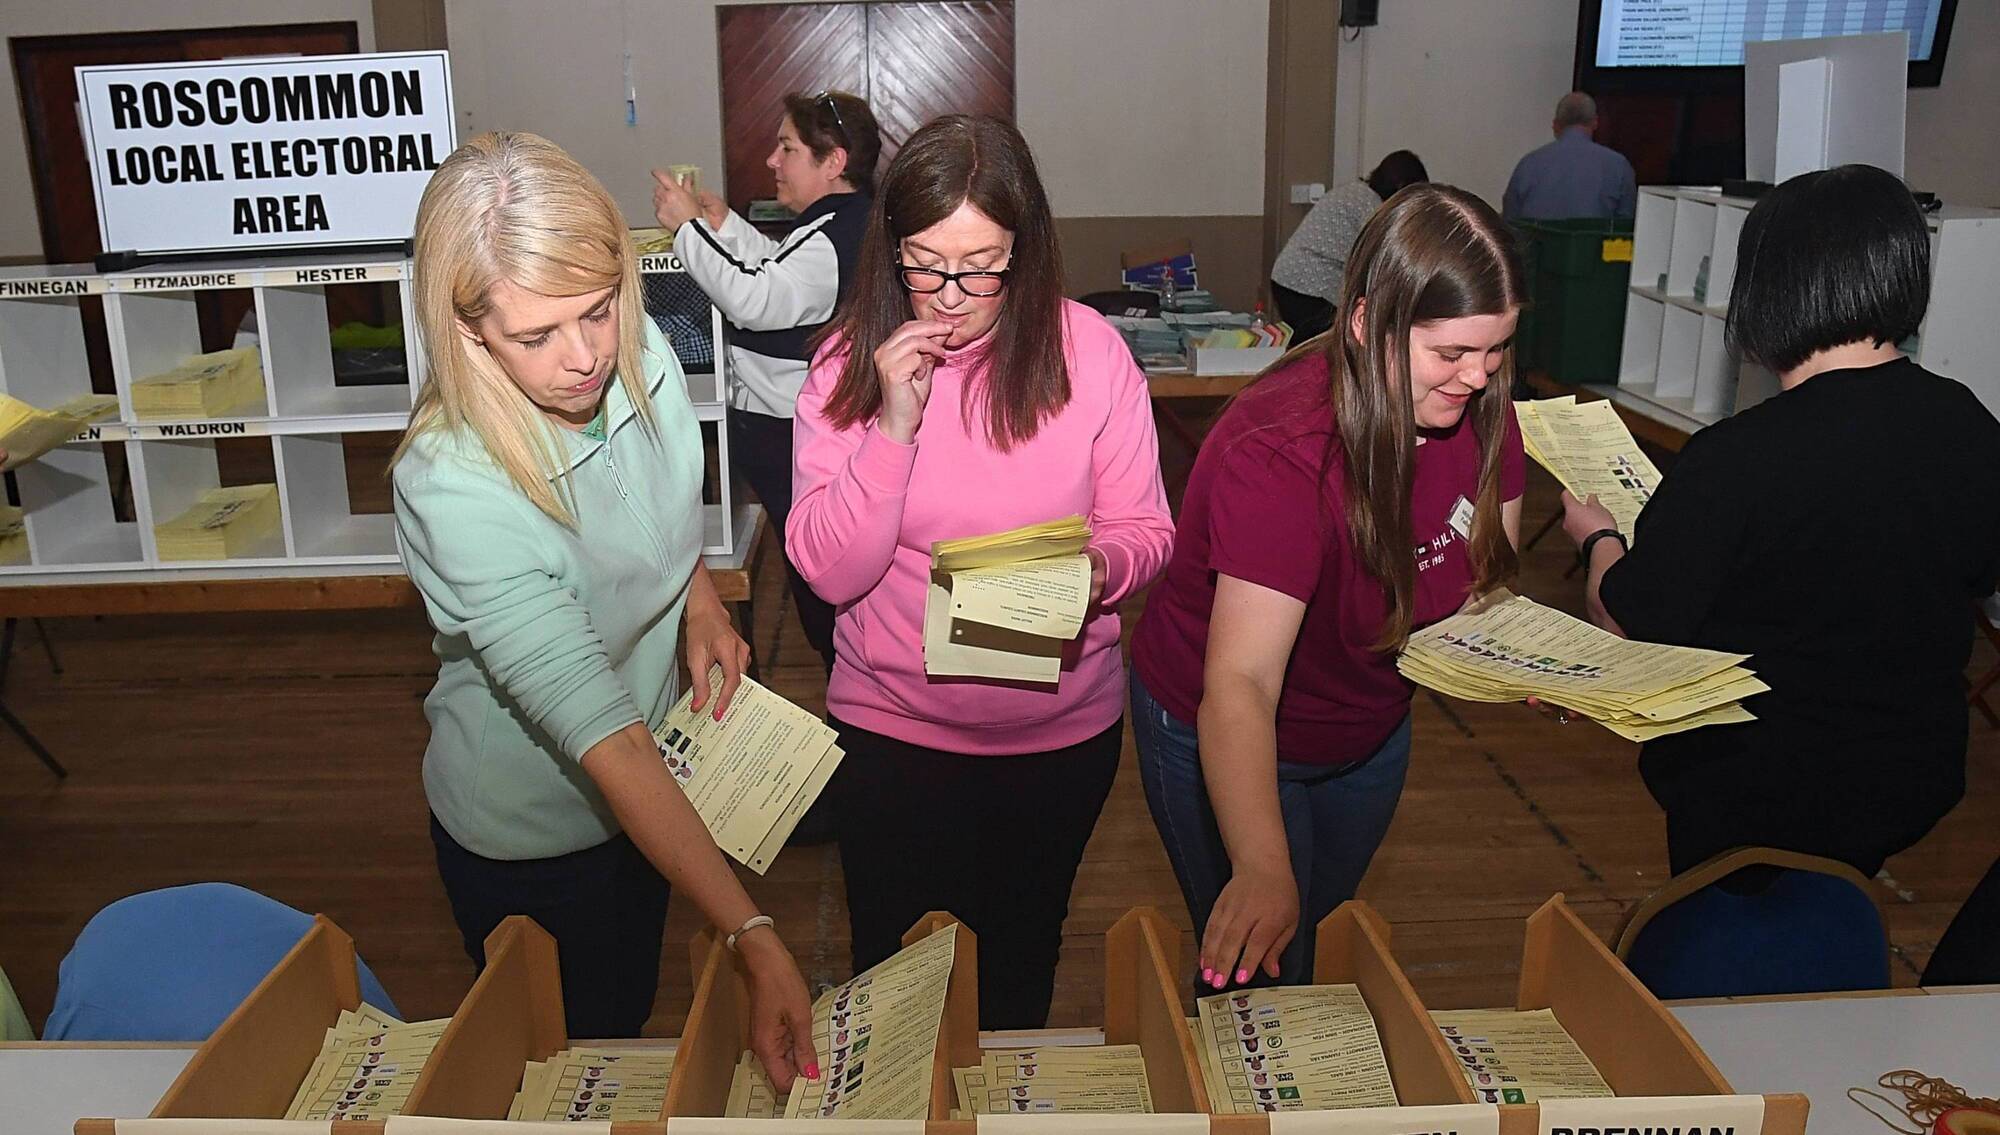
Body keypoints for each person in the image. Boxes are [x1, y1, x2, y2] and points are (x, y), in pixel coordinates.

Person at [390, 132, 817, 1088]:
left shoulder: (628, 338)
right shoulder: (454, 483)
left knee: (623, 1019)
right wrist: (750, 930)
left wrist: (697, 596)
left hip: (646, 800)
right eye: (535, 336)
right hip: (530, 838)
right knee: (563, 1069)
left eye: (596, 312)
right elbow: (608, 741)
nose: (584, 358)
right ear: (467, 332)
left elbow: (657, 505)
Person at [787, 114, 1174, 1029]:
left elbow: (1148, 528)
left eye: (981, 265)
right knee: (892, 990)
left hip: (1057, 744)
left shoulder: (1091, 353)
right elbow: (830, 572)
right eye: (925, 262)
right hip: (894, 741)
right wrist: (893, 428)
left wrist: (1090, 572)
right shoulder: (848, 363)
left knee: (1017, 969)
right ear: (891, 252)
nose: (951, 296)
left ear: (1027, 249)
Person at [1131, 184, 1527, 990]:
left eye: (1497, 351)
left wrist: (1544, 663)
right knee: (1261, 973)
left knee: (1310, 933)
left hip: (1366, 721)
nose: (1478, 377)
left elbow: (1486, 586)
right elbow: (1240, 682)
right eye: (1450, 353)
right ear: (1364, 324)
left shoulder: (1480, 404)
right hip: (1226, 720)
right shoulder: (1283, 449)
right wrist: (1262, 863)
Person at [1560, 163, 2000, 878]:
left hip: (1751, 787)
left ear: (1769, 290)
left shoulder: (1737, 456)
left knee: (1727, 953)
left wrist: (1599, 536)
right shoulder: (1971, 424)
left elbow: (1628, 618)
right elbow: (1975, 571)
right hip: (1905, 774)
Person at [653, 91, 882, 672]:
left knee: (817, 576)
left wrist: (685, 231)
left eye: (788, 149)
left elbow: (755, 298)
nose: (773, 162)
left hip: (790, 434)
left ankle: (851, 686)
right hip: (790, 429)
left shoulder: (835, 236)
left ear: (834, 161)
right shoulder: (840, 224)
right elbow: (778, 267)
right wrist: (723, 225)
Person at [1269, 151, 1428, 343]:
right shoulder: (1372, 207)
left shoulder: (1354, 191)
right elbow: (1384, 259)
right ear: (1402, 188)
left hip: (1288, 278)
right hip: (1309, 287)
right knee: (1332, 344)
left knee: (1310, 344)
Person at [1502, 92, 1635, 222]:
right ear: (1595, 122)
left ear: (1555, 125)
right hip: (1592, 244)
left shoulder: (1528, 164)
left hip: (1536, 243)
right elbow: (1626, 226)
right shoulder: (1618, 166)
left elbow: (1509, 222)